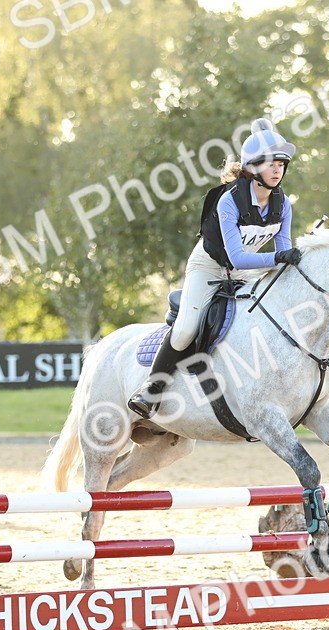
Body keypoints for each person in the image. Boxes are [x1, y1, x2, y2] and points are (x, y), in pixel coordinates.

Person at [127, 118, 303, 419]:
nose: (278, 169)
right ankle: (151, 389)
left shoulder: (282, 203)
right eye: (271, 163)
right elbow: (238, 257)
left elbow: (281, 250)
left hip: (248, 270)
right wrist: (277, 259)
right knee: (183, 331)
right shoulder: (229, 201)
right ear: (252, 168)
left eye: (282, 164)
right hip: (208, 267)